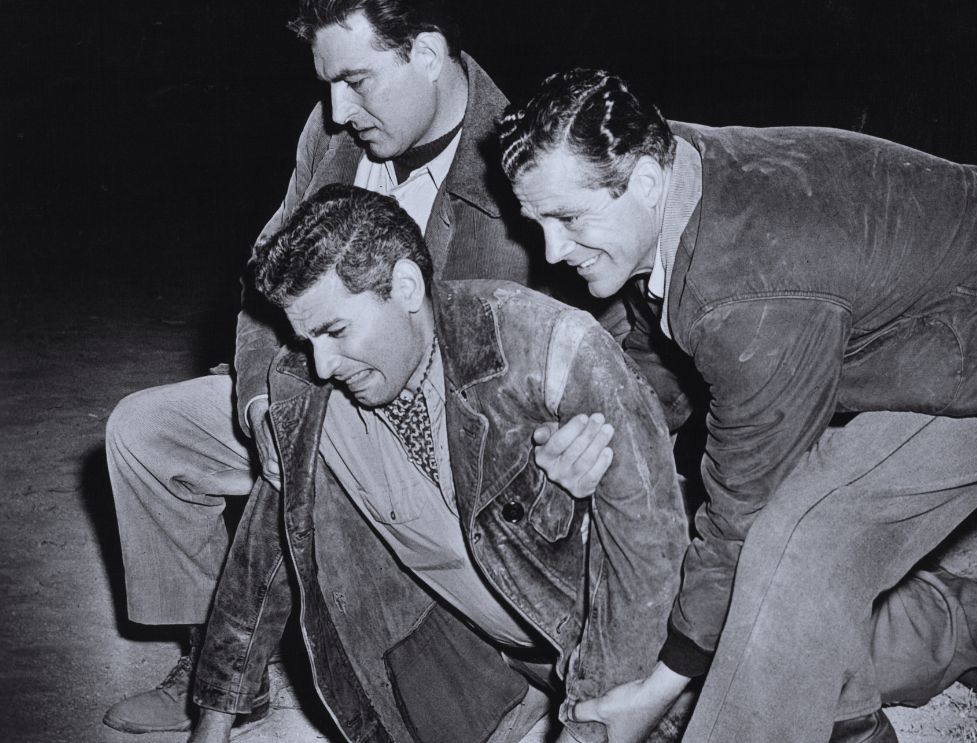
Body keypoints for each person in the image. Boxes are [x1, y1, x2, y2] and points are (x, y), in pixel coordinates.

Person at [499, 68, 977, 742]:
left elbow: (740, 511)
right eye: (537, 223)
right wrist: (602, 432)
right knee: (809, 564)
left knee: (800, 535)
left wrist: (656, 688)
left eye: (567, 219)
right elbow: (663, 340)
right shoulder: (666, 178)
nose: (550, 250)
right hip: (955, 311)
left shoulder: (749, 285)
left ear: (646, 181)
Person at [101, 0, 608, 733]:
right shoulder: (333, 132)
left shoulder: (522, 159)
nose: (337, 108)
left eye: (357, 80)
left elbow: (608, 336)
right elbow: (262, 278)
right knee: (145, 431)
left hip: (443, 448)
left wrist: (579, 443)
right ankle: (207, 655)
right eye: (328, 84)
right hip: (317, 376)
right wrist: (256, 404)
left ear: (427, 55)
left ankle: (472, 668)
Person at [190, 183, 689, 743]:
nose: (322, 365)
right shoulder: (304, 389)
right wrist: (212, 724)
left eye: (335, 331)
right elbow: (265, 555)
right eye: (305, 339)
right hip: (468, 654)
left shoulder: (548, 345)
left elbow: (649, 558)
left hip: (604, 642)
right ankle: (510, 703)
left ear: (405, 286)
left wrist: (590, 723)